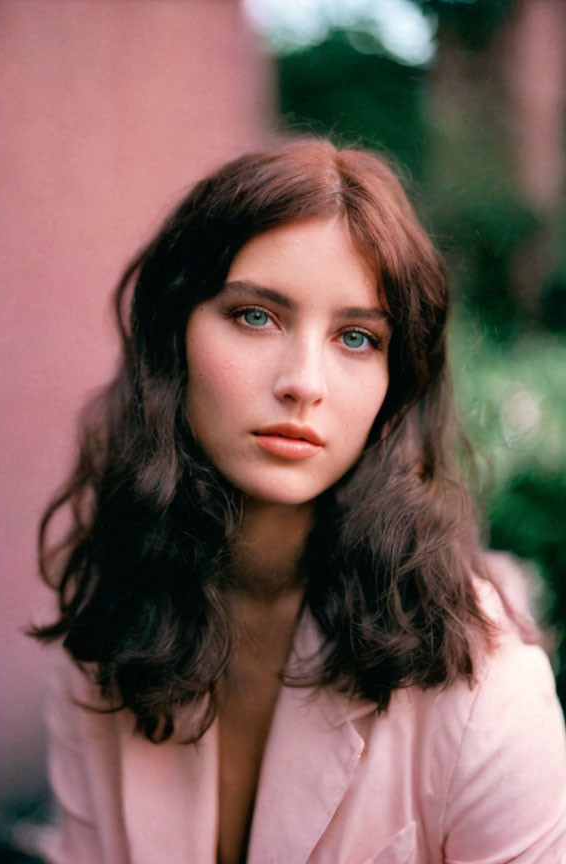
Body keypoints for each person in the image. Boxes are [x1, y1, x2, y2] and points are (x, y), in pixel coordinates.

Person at [28, 138, 566, 864]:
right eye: (257, 316)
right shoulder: (107, 634)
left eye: (355, 337)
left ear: (394, 386)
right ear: (172, 338)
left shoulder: (485, 687)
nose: (303, 381)